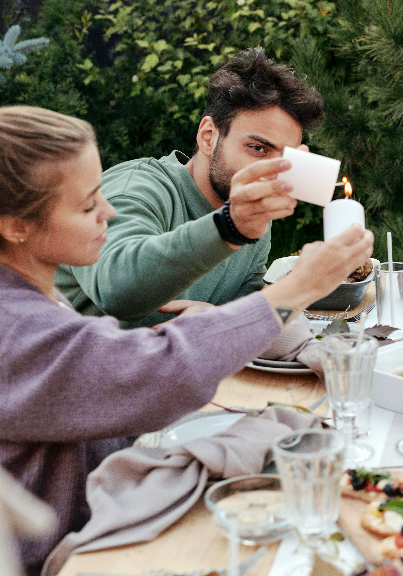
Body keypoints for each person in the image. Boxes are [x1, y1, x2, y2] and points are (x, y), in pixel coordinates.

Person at [0, 106, 374, 574]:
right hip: (67, 555)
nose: (108, 212)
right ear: (15, 225)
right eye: (88, 203)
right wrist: (298, 288)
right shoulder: (14, 328)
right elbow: (155, 369)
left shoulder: (30, 288)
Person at [55, 47, 325, 327]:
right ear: (208, 137)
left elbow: (247, 313)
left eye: (286, 158)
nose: (272, 172)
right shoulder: (137, 189)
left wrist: (308, 285)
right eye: (257, 148)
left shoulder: (250, 215)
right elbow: (117, 290)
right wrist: (230, 227)